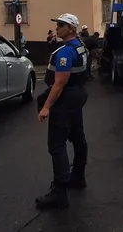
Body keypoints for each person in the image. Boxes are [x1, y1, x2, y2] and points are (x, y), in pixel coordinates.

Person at [35, 13, 90, 209]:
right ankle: (78, 176)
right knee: (77, 136)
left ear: (72, 29)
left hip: (65, 100)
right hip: (78, 96)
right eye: (57, 24)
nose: (57, 28)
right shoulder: (81, 46)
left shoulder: (65, 52)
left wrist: (46, 107)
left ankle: (60, 192)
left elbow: (59, 84)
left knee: (56, 145)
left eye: (61, 25)